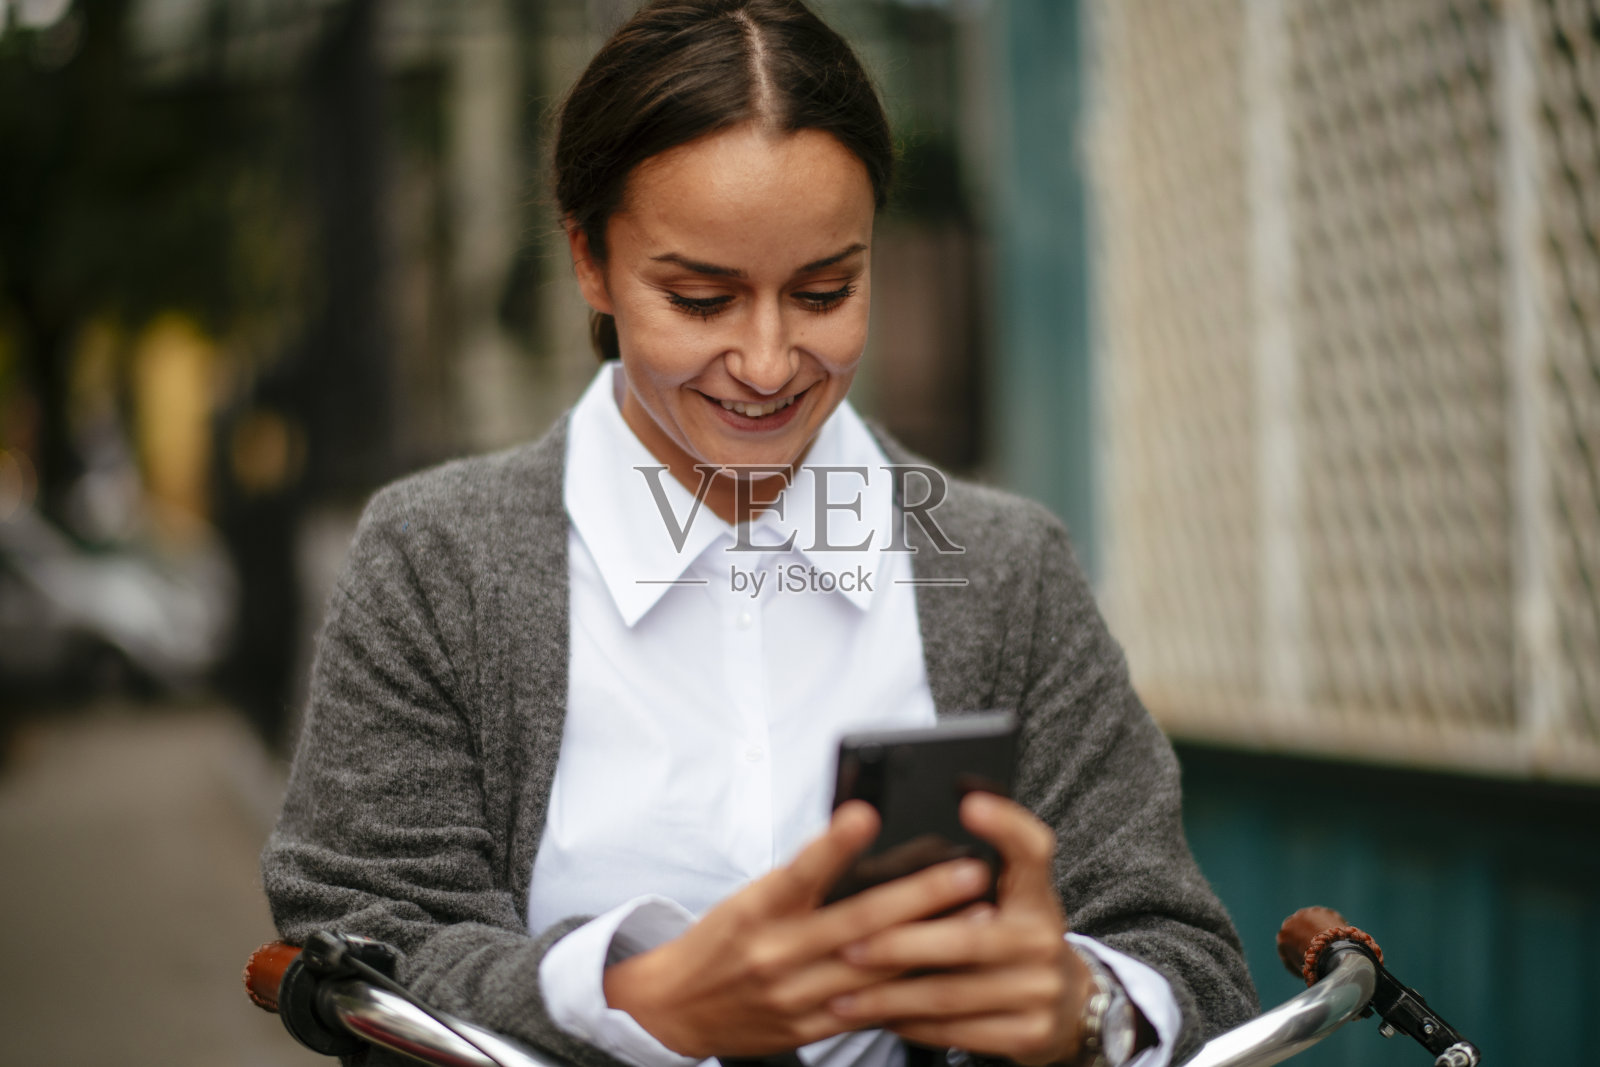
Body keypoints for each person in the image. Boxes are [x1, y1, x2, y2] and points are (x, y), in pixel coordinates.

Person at [261, 2, 1258, 1066]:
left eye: (826, 290)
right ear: (589, 261)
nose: (771, 360)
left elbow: (1187, 956)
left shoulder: (1003, 569)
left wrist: (1082, 1004)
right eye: (700, 299)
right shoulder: (437, 561)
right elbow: (361, 931)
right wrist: (637, 997)